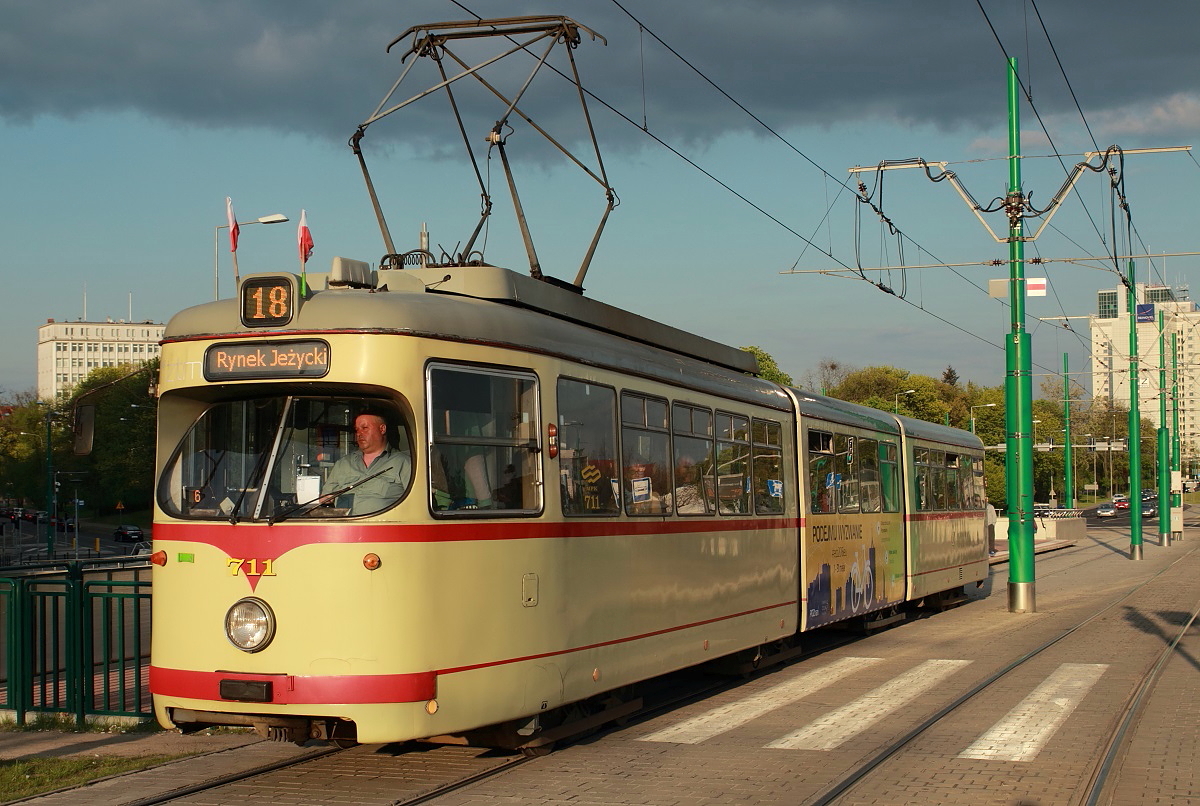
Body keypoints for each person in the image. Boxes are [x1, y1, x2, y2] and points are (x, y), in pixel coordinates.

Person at [323, 412, 411, 515]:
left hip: (384, 527)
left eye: (364, 428)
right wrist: (327, 499)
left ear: (382, 429)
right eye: (357, 429)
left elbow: (417, 503)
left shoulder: (403, 463)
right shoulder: (343, 463)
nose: (359, 433)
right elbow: (325, 499)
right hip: (345, 527)